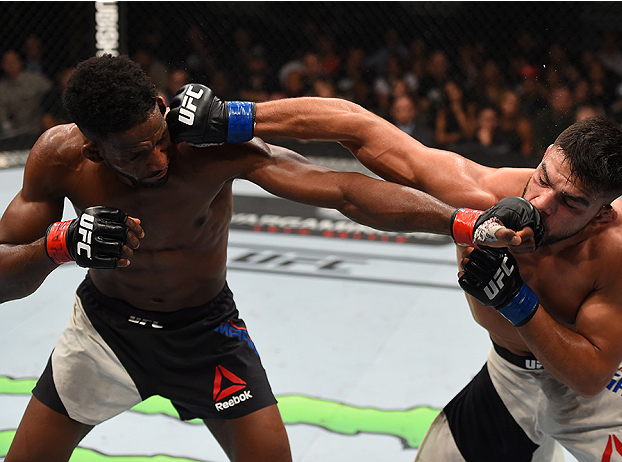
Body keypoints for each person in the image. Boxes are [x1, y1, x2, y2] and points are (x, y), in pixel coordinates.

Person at [0, 54, 483, 462]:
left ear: (163, 108)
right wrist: (56, 247)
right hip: (106, 332)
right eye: (135, 154)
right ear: (94, 150)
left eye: (160, 141)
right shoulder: (59, 158)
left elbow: (342, 190)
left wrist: (461, 222)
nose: (158, 161)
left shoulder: (208, 149)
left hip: (206, 334)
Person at [193, 90, 622, 461]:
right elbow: (362, 129)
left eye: (570, 203)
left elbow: (589, 375)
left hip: (600, 388)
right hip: (511, 376)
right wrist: (240, 116)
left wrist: (514, 299)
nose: (540, 204)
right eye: (544, 178)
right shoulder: (483, 195)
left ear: (601, 214)